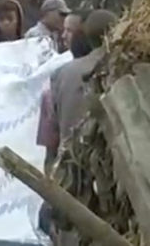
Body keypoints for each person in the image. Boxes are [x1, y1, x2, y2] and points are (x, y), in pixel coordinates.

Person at [39, 10, 117, 167]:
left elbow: (49, 138)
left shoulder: (60, 74)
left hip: (71, 169)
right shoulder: (124, 69)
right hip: (113, 169)